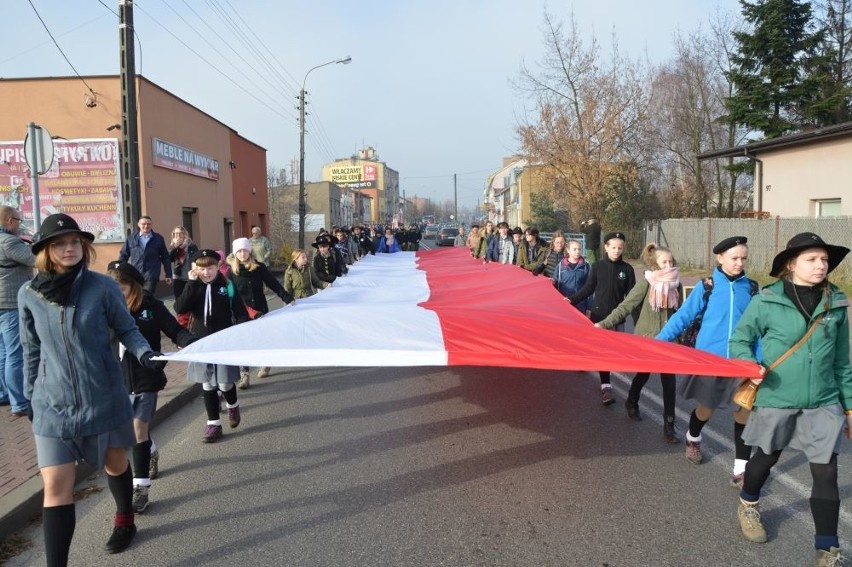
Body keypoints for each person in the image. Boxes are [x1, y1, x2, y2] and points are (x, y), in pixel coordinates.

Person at [19, 213, 167, 562]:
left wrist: (144, 352)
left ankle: (125, 519)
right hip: (52, 404)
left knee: (115, 463)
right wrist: (28, 397)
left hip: (104, 396)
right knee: (56, 486)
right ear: (45, 250)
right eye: (59, 243)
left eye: (74, 242)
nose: (69, 249)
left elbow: (127, 328)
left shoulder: (102, 287)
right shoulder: (29, 295)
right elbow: (31, 349)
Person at [728, 233, 851, 564]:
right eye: (812, 259)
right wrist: (750, 366)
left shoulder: (836, 303)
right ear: (791, 264)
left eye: (824, 260)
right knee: (765, 459)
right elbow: (740, 339)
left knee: (826, 472)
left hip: (823, 401)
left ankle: (827, 546)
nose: (821, 265)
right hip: (777, 397)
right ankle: (748, 503)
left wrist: (849, 407)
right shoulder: (767, 300)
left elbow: (842, 362)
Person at [656, 236, 758, 484]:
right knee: (706, 409)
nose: (739, 263)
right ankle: (693, 437)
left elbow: (760, 326)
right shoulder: (708, 286)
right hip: (710, 361)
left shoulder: (752, 288)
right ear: (720, 258)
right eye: (734, 258)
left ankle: (740, 469)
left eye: (743, 258)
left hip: (741, 362)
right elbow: (684, 316)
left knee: (744, 411)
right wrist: (658, 342)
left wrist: (759, 361)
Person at [106, 261, 195, 514]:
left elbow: (174, 329)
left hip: (147, 375)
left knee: (137, 430)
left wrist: (189, 341)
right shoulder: (104, 309)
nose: (115, 294)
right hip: (117, 379)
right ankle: (151, 450)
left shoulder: (150, 305)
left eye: (121, 289)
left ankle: (141, 488)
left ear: (133, 287)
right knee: (132, 433)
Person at [595, 243, 682, 443]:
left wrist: (682, 337)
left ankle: (669, 425)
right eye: (664, 262)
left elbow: (680, 314)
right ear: (654, 264)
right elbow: (626, 306)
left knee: (669, 383)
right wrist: (603, 324)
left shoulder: (675, 285)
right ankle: (632, 400)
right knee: (643, 374)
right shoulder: (646, 283)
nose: (668, 265)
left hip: (668, 343)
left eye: (670, 261)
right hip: (648, 340)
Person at [174, 249, 250, 443]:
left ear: (218, 268)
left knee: (224, 383)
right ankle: (213, 423)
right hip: (201, 341)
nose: (206, 272)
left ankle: (233, 405)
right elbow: (180, 307)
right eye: (201, 268)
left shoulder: (226, 286)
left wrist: (241, 332)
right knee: (207, 384)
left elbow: (240, 312)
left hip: (224, 341)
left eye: (210, 268)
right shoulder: (194, 286)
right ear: (195, 269)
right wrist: (191, 283)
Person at [567, 231, 635, 405]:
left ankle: (590, 360)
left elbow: (632, 298)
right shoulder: (597, 266)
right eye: (613, 247)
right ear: (606, 247)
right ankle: (606, 387)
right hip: (600, 317)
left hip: (618, 319)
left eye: (620, 248)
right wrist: (571, 300)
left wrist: (638, 321)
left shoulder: (627, 269)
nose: (616, 251)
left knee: (615, 353)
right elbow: (589, 288)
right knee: (604, 352)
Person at [227, 238, 294, 388]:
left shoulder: (259, 267)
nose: (242, 253)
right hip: (241, 313)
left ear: (249, 251)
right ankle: (245, 374)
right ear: (235, 253)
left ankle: (265, 361)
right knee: (243, 342)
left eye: (244, 250)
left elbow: (273, 284)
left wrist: (287, 298)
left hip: (260, 309)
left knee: (260, 338)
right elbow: (229, 294)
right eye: (239, 251)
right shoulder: (231, 272)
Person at [0, 206, 34, 417]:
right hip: (11, 302)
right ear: (9, 221)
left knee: (3, 353)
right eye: (19, 220)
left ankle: (4, 394)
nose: (20, 224)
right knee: (14, 354)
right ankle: (19, 403)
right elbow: (34, 259)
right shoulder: (9, 241)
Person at [118, 215, 172, 295]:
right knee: (136, 297)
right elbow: (123, 256)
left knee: (147, 297)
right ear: (139, 224)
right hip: (135, 274)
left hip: (151, 274)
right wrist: (119, 271)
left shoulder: (158, 238)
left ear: (151, 225)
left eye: (148, 224)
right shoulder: (131, 238)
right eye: (143, 224)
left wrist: (168, 274)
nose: (146, 226)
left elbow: (165, 257)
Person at [553, 238, 591, 314]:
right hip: (564, 303)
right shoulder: (560, 266)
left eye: (579, 249)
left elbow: (589, 287)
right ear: (568, 250)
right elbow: (555, 285)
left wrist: (589, 307)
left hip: (581, 304)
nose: (577, 251)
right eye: (574, 249)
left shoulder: (586, 266)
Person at [168, 225, 198, 300]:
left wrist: (185, 246)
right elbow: (169, 259)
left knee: (191, 300)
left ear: (185, 234)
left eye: (180, 233)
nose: (178, 235)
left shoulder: (192, 246)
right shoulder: (173, 246)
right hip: (178, 278)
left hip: (190, 277)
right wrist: (176, 247)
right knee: (179, 300)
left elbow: (196, 258)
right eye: (176, 233)